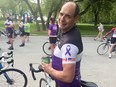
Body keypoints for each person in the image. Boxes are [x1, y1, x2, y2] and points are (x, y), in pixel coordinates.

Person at [42, 1, 83, 87]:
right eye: (61, 14)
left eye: (68, 16)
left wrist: (49, 69)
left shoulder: (70, 44)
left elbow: (67, 77)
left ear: (75, 19)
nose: (62, 19)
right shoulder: (68, 32)